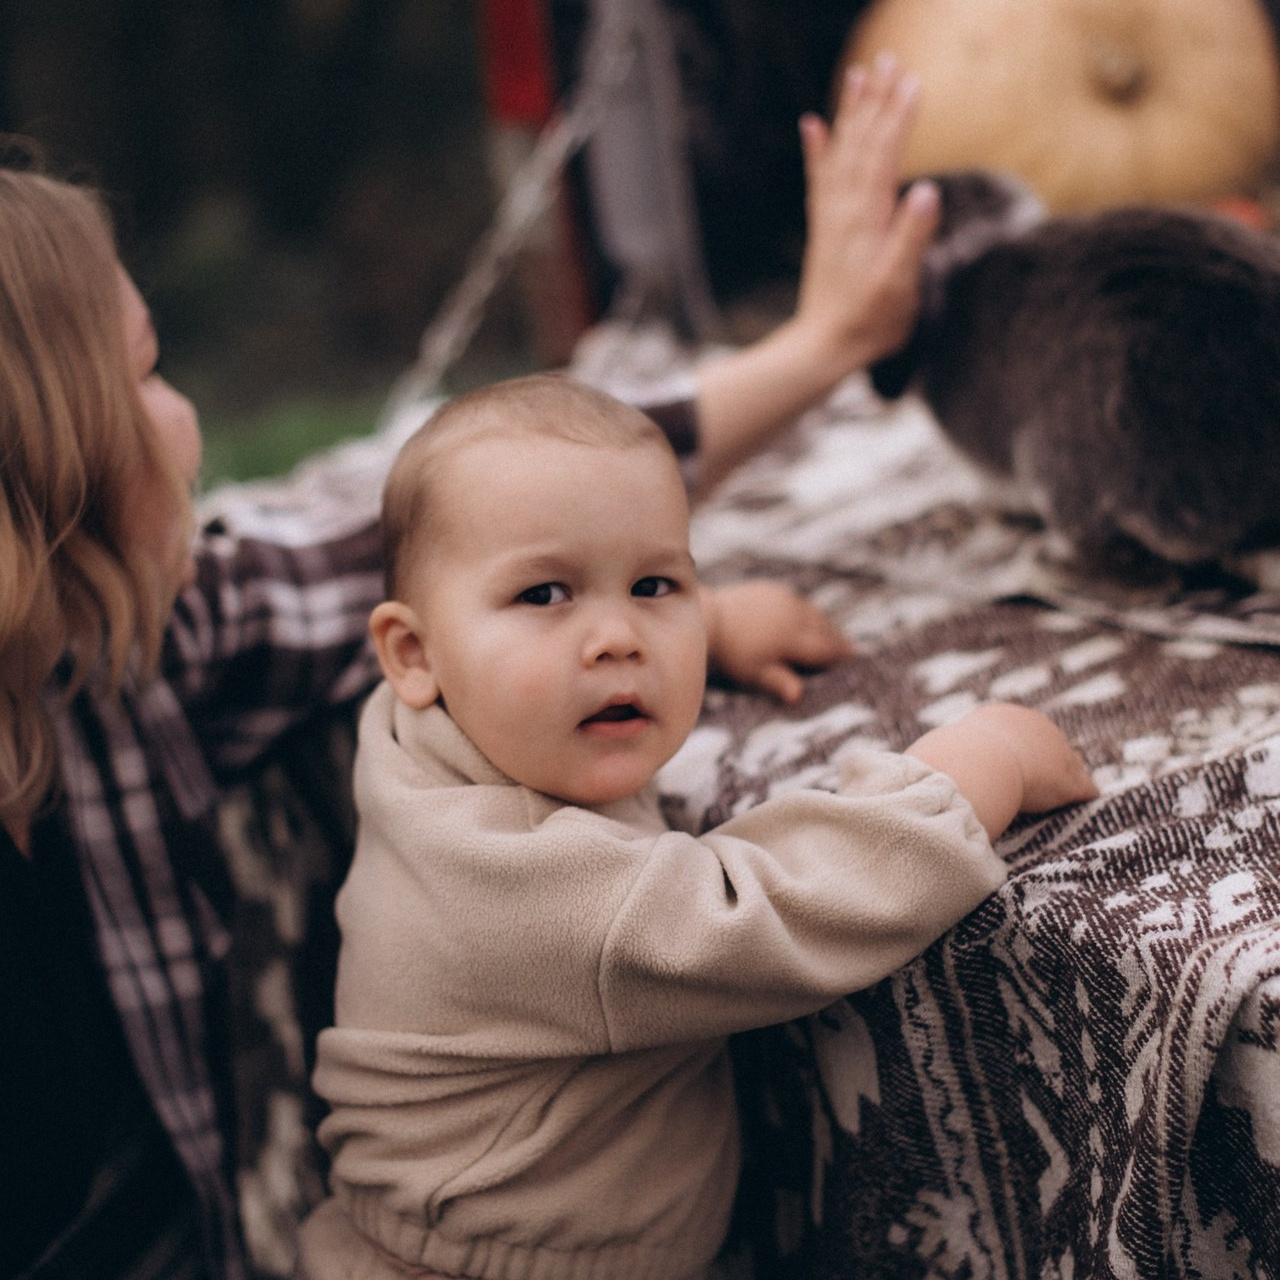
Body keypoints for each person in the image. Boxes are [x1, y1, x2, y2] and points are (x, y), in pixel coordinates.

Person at [0, 51, 940, 1278]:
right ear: (42, 459)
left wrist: (814, 356)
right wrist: (952, 783)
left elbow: (480, 519)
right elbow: (722, 918)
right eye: (142, 372)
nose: (182, 418)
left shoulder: (140, 642)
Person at [295, 373, 1097, 1280]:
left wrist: (709, 622)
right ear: (413, 653)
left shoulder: (421, 739)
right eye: (544, 595)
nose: (617, 640)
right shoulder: (514, 879)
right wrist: (969, 771)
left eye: (652, 583)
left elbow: (581, 635)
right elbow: (757, 913)